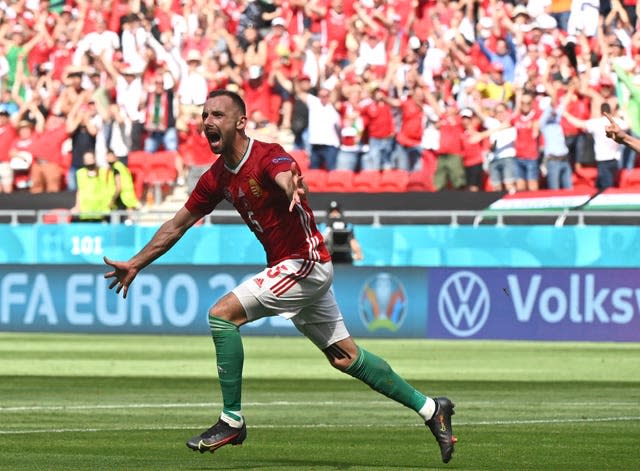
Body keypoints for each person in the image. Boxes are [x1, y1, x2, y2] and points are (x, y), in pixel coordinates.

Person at [103, 90, 456, 464]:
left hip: (304, 262)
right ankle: (433, 409)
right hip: (294, 268)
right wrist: (137, 262)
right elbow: (177, 225)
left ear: (240, 122)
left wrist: (291, 185)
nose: (207, 121)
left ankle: (232, 420)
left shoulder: (267, 155)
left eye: (217, 115)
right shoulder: (217, 177)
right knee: (345, 357)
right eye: (204, 115)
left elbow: (284, 173)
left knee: (222, 315)